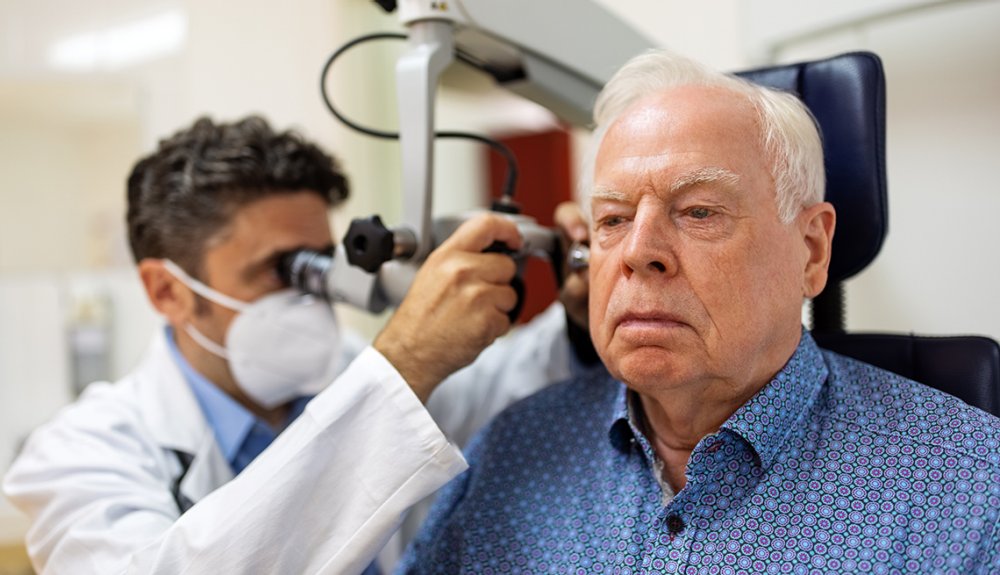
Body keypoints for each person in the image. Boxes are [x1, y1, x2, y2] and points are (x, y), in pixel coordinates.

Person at [396, 49, 1000, 574]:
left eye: (699, 212)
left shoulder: (966, 487)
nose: (638, 252)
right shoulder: (512, 452)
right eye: (613, 219)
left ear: (811, 250)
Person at [2, 116, 593, 574]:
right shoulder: (80, 453)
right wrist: (406, 362)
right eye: (279, 270)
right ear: (167, 291)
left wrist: (578, 317)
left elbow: (502, 392)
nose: (312, 293)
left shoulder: (351, 375)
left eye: (318, 264)